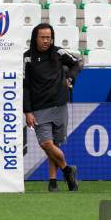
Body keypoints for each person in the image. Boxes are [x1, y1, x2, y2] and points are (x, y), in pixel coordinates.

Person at [24, 23, 83, 192]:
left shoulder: (58, 53)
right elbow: (25, 85)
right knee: (46, 144)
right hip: (39, 108)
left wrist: (70, 78)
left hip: (59, 104)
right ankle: (67, 169)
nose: (46, 41)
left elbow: (78, 63)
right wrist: (27, 111)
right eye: (42, 37)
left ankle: (52, 181)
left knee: (55, 144)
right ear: (35, 38)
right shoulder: (27, 58)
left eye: (48, 38)